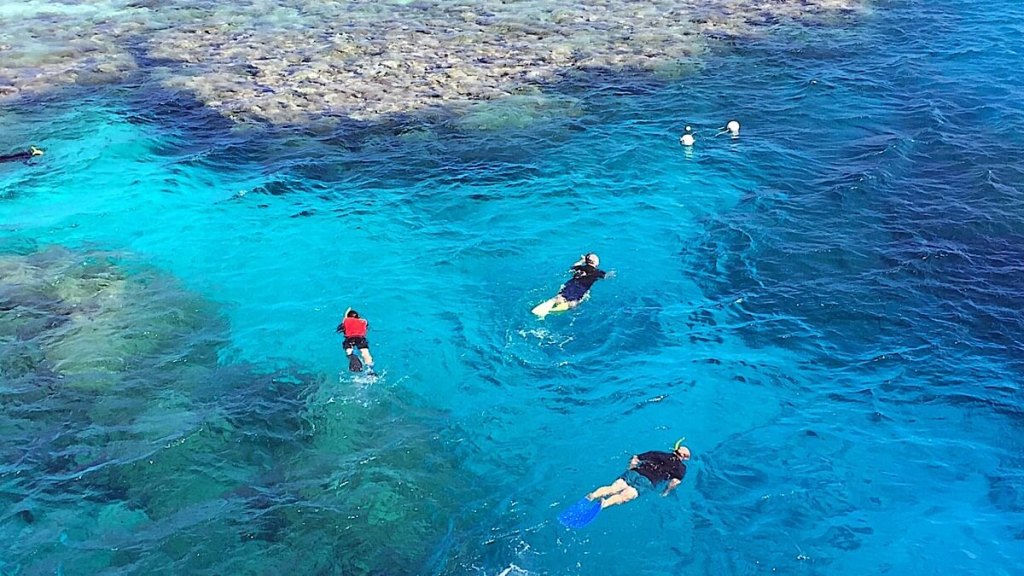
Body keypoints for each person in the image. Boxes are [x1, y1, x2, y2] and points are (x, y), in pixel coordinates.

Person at [586, 440, 691, 509]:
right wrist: (665, 492)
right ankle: (604, 504)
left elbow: (635, 458)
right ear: (684, 457)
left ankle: (593, 495)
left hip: (634, 472)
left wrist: (630, 469)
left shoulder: (658, 453)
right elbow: (674, 482)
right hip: (647, 481)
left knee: (612, 488)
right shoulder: (681, 468)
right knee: (625, 496)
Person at [531, 253, 610, 318]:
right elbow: (605, 277)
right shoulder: (598, 272)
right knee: (575, 302)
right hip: (582, 288)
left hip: (571, 283)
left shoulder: (580, 267)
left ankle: (554, 301)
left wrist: (581, 261)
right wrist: (611, 273)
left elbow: (573, 266)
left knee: (561, 295)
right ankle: (565, 306)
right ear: (596, 263)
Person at [335, 308, 374, 372]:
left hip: (349, 339)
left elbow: (341, 327)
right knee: (365, 353)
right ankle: (370, 370)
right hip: (360, 338)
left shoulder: (346, 321)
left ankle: (353, 356)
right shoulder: (364, 321)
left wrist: (345, 317)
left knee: (349, 351)